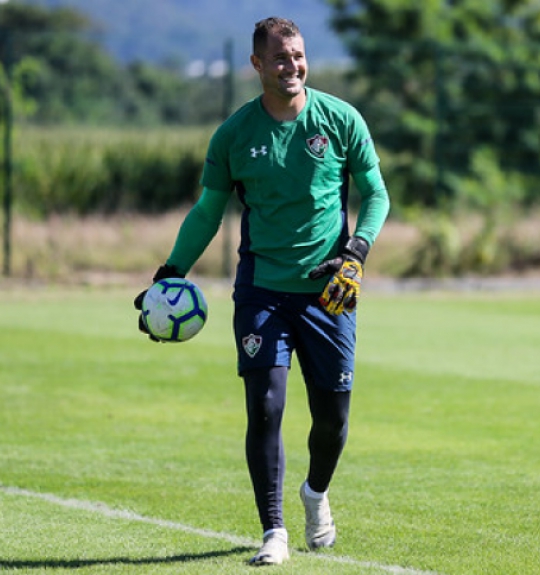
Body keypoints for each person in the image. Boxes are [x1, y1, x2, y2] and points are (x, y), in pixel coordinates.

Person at [134, 16, 390, 566]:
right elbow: (208, 213)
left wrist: (357, 251)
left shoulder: (340, 119)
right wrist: (172, 269)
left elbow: (376, 194)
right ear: (256, 65)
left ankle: (315, 494)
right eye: (279, 58)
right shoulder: (234, 134)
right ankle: (273, 531)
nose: (291, 66)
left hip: (330, 292)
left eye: (297, 55)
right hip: (262, 292)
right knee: (267, 407)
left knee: (333, 423)